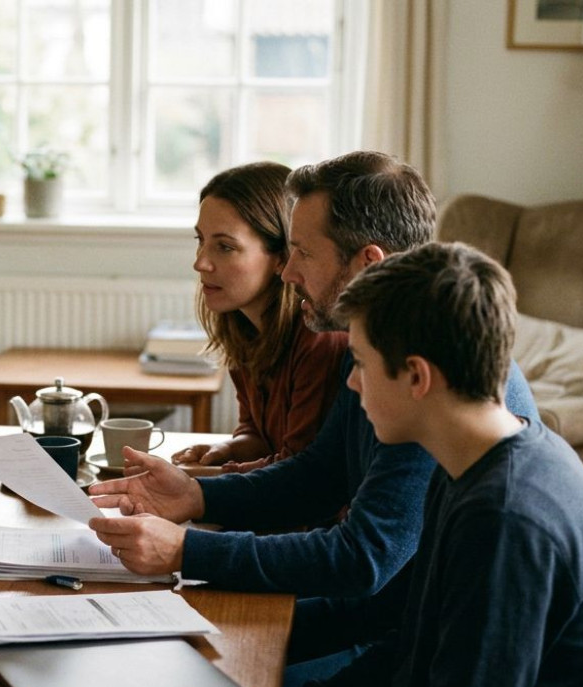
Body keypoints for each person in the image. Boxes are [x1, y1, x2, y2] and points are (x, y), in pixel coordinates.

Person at [220, 242, 583, 687]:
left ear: (416, 376)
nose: (352, 384)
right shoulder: (473, 464)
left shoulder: (506, 520)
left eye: (361, 363)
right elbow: (401, 635)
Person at [89, 150, 538, 611]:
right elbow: (319, 475)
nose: (287, 272)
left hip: (389, 633)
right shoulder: (375, 344)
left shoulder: (423, 379)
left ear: (367, 262)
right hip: (379, 619)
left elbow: (363, 559)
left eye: (302, 252)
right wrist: (196, 494)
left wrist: (188, 550)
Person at [169, 162, 347, 474]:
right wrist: (227, 449)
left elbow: (299, 471)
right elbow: (258, 433)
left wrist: (194, 480)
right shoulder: (243, 325)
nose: (200, 263)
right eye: (200, 240)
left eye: (225, 247)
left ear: (281, 258)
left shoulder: (318, 337)